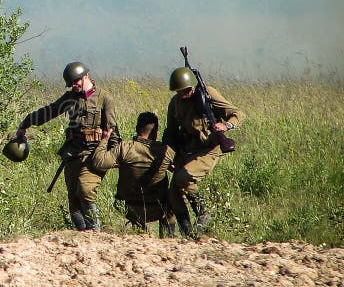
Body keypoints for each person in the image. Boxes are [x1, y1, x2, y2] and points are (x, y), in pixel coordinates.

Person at [14, 61, 120, 231]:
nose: (74, 86)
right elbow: (49, 111)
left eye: (76, 82)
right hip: (73, 153)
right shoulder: (70, 98)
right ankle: (82, 233)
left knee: (85, 189)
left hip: (94, 154)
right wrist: (26, 123)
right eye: (71, 84)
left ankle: (95, 232)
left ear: (86, 76)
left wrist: (114, 156)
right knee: (74, 199)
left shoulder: (104, 98)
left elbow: (113, 130)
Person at [162, 67, 245, 238]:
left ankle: (204, 212)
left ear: (192, 87)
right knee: (173, 193)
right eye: (178, 91)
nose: (181, 94)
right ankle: (189, 234)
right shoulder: (175, 104)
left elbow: (238, 113)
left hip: (208, 149)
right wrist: (170, 156)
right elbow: (170, 133)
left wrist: (226, 125)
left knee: (183, 178)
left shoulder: (208, 94)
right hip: (187, 150)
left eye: (185, 90)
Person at [91, 111, 176, 237]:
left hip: (129, 208)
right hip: (158, 208)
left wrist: (104, 140)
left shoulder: (125, 148)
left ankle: (141, 233)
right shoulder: (166, 152)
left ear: (137, 128)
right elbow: (180, 170)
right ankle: (169, 237)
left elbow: (99, 163)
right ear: (156, 131)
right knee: (173, 197)